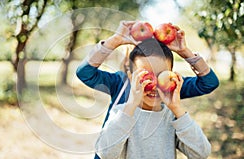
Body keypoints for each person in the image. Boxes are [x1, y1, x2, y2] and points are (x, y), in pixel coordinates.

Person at [75, 21, 219, 158]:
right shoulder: (121, 90)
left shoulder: (171, 102)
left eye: (162, 75)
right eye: (146, 75)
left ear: (172, 76)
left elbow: (209, 82)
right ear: (131, 76)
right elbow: (85, 72)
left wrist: (185, 52)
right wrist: (115, 41)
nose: (154, 84)